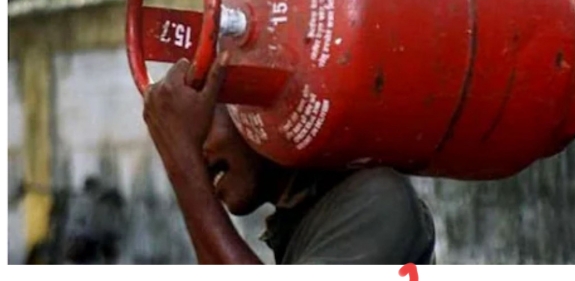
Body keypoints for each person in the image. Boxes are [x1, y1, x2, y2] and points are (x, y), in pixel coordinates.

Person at [143, 52, 436, 264]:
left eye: (198, 124)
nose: (194, 148)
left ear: (258, 105)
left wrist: (183, 161)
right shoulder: (300, 221)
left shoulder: (377, 198)